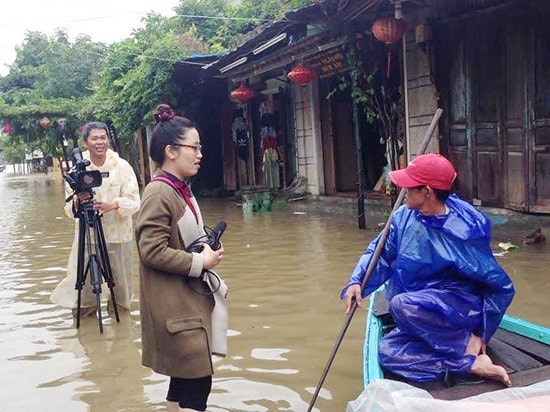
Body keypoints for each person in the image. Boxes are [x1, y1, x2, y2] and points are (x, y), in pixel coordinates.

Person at [342, 153, 515, 387]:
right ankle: (468, 364)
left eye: (409, 186)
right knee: (387, 351)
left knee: (401, 305)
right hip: (418, 309)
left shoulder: (463, 231)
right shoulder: (403, 217)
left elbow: (500, 286)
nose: (402, 189)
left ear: (427, 192)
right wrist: (357, 281)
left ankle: (465, 344)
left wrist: (483, 333)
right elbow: (381, 252)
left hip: (456, 309)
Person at [135, 104, 228, 412]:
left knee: (184, 382)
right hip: (175, 308)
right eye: (194, 147)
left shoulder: (177, 189)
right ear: (171, 151)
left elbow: (182, 240)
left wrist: (207, 253)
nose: (200, 154)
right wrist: (200, 262)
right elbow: (151, 250)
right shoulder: (159, 193)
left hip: (183, 304)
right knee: (197, 383)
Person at [51, 122, 140, 315]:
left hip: (118, 236)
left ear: (108, 139)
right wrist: (78, 201)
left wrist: (112, 205)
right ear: (86, 142)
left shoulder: (122, 166)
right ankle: (87, 323)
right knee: (85, 292)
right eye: (94, 138)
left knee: (121, 290)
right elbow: (68, 209)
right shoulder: (77, 169)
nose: (99, 142)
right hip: (87, 235)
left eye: (103, 137)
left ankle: (121, 328)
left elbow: (134, 202)